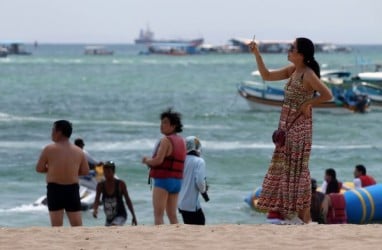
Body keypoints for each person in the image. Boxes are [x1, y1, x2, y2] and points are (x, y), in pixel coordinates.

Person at [250, 37, 333, 224]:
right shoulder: (294, 71)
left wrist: (308, 102)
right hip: (287, 127)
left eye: (291, 48)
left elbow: (328, 94)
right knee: (289, 168)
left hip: (299, 127)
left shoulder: (308, 75)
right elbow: (267, 76)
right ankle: (300, 216)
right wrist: (257, 54)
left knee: (297, 169)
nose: (288, 50)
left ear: (301, 54)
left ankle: (300, 215)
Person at [35, 120, 89, 226]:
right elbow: (85, 171)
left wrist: (52, 169)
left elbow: (39, 168)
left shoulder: (49, 149)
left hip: (55, 189)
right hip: (72, 189)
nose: (51, 133)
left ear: (59, 132)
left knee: (56, 227)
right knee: (77, 225)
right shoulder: (78, 151)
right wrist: (71, 171)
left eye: (53, 130)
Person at [142, 108, 186, 225]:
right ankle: (177, 236)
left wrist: (147, 161)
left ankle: (159, 239)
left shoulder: (166, 140)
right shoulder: (182, 141)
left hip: (164, 181)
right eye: (161, 122)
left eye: (165, 122)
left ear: (174, 125)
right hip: (176, 181)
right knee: (172, 215)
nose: (162, 125)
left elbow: (158, 161)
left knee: (158, 214)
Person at [93, 161, 137, 226]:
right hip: (109, 218)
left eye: (108, 172)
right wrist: (95, 210)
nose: (106, 174)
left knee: (114, 226)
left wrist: (134, 216)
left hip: (121, 215)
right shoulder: (101, 185)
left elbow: (128, 200)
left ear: (113, 172)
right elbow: (97, 199)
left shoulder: (120, 184)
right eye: (105, 172)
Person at [178, 136, 208, 225]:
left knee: (188, 225)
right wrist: (204, 190)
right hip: (191, 204)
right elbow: (199, 181)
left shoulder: (181, 161)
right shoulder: (199, 161)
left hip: (180, 203)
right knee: (200, 222)